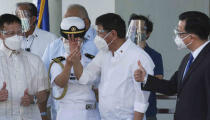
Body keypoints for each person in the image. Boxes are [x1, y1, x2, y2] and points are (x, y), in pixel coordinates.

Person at [69, 13, 155, 120]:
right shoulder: (104, 53)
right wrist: (76, 60)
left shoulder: (139, 57)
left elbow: (141, 101)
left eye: (100, 32)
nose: (97, 37)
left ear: (113, 34)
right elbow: (84, 78)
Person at [134, 11, 210, 120]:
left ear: (191, 37)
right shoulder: (188, 59)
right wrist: (145, 78)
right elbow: (171, 87)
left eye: (180, 33)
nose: (177, 36)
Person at [42, 4, 99, 120]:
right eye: (68, 40)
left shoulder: (96, 50)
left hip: (92, 112)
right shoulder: (56, 52)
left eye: (77, 39)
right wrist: (68, 64)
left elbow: (91, 82)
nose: (73, 43)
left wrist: (77, 61)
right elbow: (53, 82)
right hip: (65, 111)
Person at [0, 14, 48, 120]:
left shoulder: (35, 60)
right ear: (1, 35)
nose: (17, 37)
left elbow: (43, 93)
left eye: (19, 32)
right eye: (11, 34)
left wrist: (33, 99)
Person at [128, 14, 164, 120]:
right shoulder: (119, 53)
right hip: (124, 110)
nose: (135, 33)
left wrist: (144, 77)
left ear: (148, 34)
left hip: (147, 112)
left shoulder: (155, 55)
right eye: (132, 28)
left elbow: (158, 80)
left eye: (140, 30)